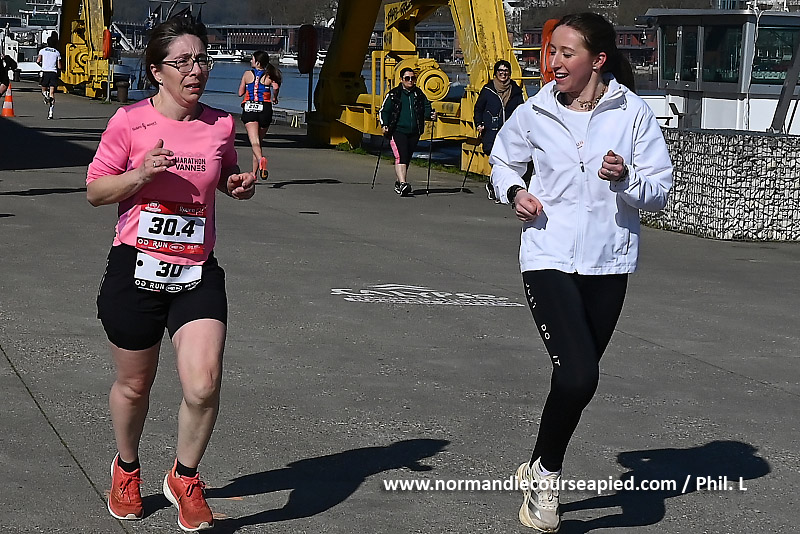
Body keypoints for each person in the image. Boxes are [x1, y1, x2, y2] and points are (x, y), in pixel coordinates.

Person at [489, 13, 673, 533]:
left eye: (566, 53)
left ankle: (537, 464)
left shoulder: (632, 112)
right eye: (552, 52)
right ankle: (547, 478)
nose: (554, 62)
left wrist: (626, 178)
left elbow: (659, 191)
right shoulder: (533, 111)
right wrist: (514, 192)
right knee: (579, 374)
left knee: (574, 379)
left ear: (597, 60)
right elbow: (501, 162)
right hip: (546, 255)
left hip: (608, 262)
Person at [86, 14, 255, 532]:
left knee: (203, 384)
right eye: (182, 62)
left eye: (201, 59)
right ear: (157, 71)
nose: (195, 70)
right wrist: (140, 175)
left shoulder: (220, 124)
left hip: (196, 270)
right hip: (135, 265)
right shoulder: (129, 121)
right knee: (135, 385)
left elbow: (222, 171)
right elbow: (96, 190)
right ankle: (126, 468)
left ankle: (184, 476)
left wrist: (234, 184)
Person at [379, 66, 435, 196]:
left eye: (413, 78)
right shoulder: (394, 94)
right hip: (398, 130)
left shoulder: (419, 94)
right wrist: (385, 124)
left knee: (407, 157)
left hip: (414, 131)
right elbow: (384, 111)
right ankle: (404, 183)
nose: (410, 81)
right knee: (401, 155)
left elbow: (426, 107)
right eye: (407, 78)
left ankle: (399, 182)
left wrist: (431, 115)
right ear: (401, 79)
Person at [473, 59, 524, 202]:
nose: (503, 73)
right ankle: (495, 186)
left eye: (506, 71)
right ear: (495, 73)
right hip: (492, 131)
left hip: (510, 133)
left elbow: (522, 110)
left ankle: (495, 186)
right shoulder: (488, 90)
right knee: (495, 160)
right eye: (500, 71)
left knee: (504, 161)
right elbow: (478, 108)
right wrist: (479, 123)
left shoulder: (516, 91)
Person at [238, 51, 281, 180]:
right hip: (265, 109)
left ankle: (260, 160)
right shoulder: (269, 75)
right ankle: (254, 173)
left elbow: (240, 93)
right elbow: (276, 87)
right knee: (259, 142)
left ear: (257, 62)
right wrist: (275, 97)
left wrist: (248, 87)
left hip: (250, 108)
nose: (250, 61)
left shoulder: (247, 74)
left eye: (252, 59)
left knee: (254, 142)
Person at [37, 32, 62, 120]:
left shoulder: (42, 51)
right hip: (53, 73)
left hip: (45, 72)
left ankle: (46, 96)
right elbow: (59, 66)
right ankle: (50, 113)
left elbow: (38, 61)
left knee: (43, 90)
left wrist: (42, 65)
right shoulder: (57, 52)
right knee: (52, 93)